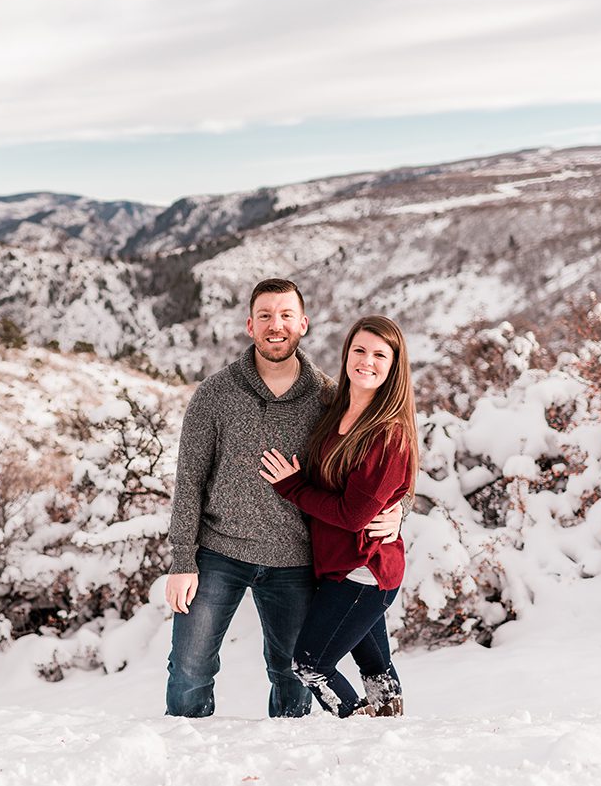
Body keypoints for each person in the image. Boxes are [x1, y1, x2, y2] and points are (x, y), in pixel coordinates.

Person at [164, 279, 404, 718]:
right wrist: (183, 560)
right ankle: (185, 759)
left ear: (303, 324)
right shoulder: (215, 395)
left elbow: (375, 463)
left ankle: (288, 762)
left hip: (297, 561)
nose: (277, 326)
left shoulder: (330, 398)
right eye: (267, 316)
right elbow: (189, 481)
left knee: (291, 678)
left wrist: (398, 510)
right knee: (189, 670)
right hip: (219, 553)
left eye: (287, 315)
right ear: (249, 325)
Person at [259, 315, 417, 718]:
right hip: (337, 568)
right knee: (375, 664)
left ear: (394, 367)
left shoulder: (387, 434)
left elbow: (352, 515)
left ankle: (358, 724)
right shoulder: (336, 412)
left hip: (365, 572)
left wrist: (292, 486)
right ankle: (389, 726)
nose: (367, 361)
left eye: (380, 355)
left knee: (310, 666)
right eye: (359, 350)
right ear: (346, 354)